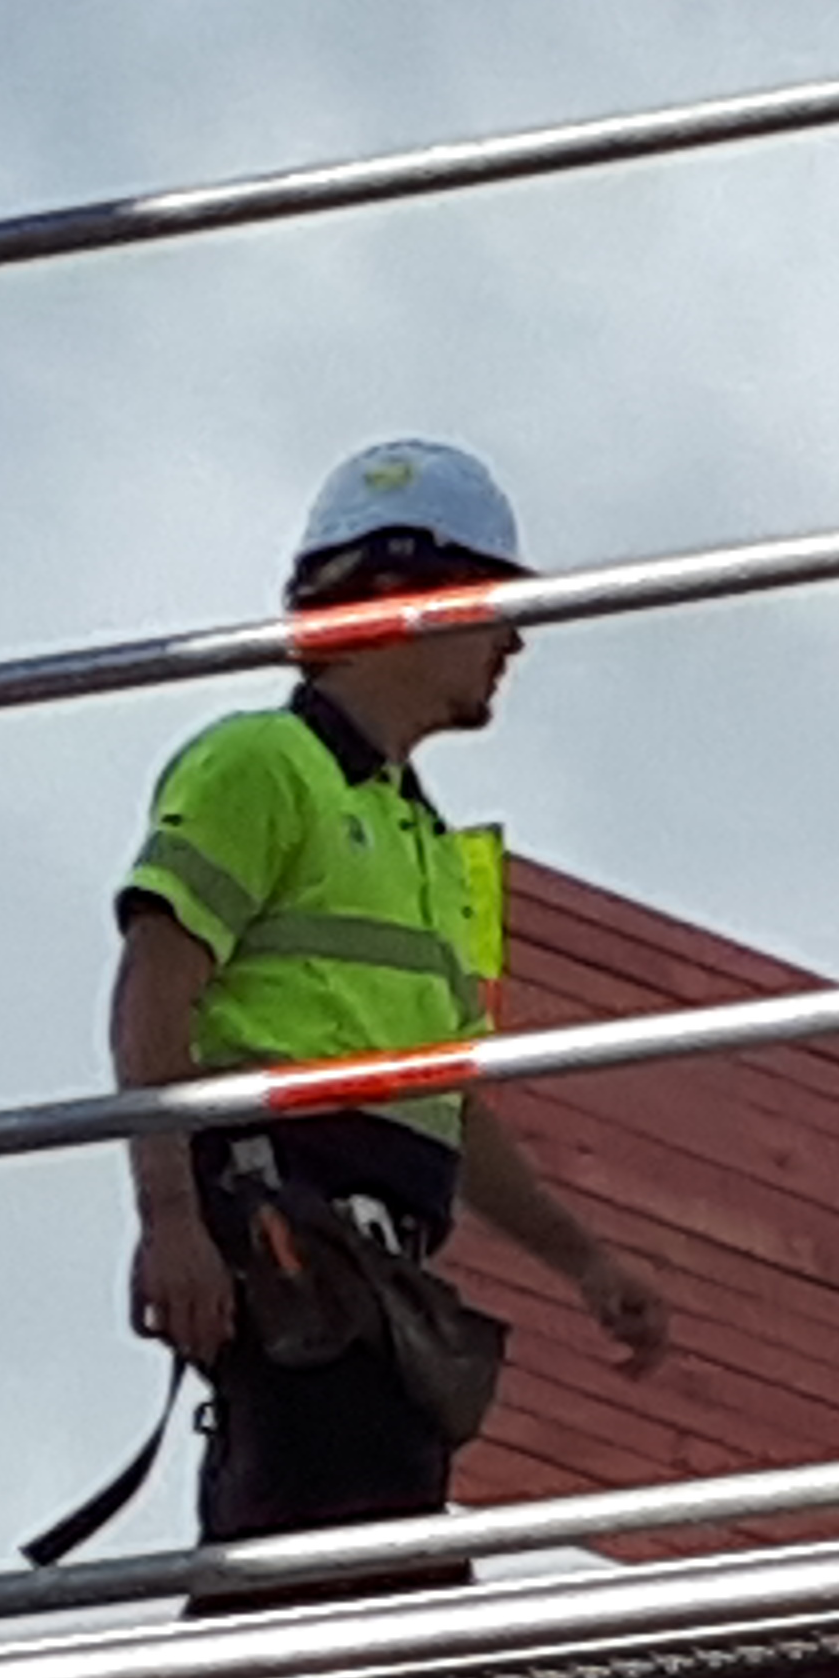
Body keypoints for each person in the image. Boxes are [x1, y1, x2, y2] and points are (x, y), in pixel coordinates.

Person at [111, 439, 670, 1581]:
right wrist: (169, 1218)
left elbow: (445, 1108)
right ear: (409, 599)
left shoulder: (432, 849)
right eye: (494, 607)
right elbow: (152, 997)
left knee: (351, 1542)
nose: (514, 641)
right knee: (351, 1554)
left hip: (371, 1263)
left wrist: (583, 1262)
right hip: (290, 1224)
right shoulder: (259, 765)